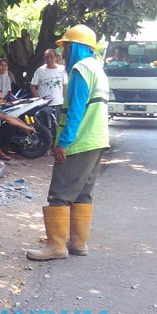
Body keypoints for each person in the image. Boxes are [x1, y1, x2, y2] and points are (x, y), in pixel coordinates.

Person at [26, 24, 109, 261]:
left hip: (81, 141)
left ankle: (56, 246)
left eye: (67, 46)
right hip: (98, 139)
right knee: (83, 193)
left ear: (77, 47)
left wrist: (63, 142)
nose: (64, 53)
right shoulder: (97, 69)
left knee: (59, 194)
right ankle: (78, 243)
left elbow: (76, 110)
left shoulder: (81, 69)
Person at [30, 48, 68, 118]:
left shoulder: (62, 69)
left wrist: (65, 100)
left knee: (58, 125)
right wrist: (39, 100)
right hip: (45, 105)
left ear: (56, 57)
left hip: (59, 103)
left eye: (51, 56)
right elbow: (32, 86)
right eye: (46, 57)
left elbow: (65, 85)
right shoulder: (40, 70)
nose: (49, 59)